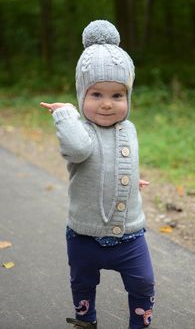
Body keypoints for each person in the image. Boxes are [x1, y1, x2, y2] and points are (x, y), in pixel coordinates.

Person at [40, 20, 155, 329]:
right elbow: (79, 152)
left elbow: (123, 159)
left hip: (130, 233)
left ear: (128, 98)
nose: (107, 104)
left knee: (143, 282)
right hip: (84, 233)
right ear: (82, 95)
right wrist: (65, 115)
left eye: (118, 96)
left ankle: (139, 322)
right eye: (96, 95)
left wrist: (132, 179)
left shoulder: (128, 128)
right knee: (82, 281)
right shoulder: (77, 129)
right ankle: (85, 318)